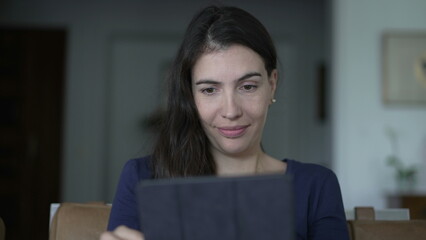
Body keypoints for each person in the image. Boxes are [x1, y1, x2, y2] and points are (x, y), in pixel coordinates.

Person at [101, 5, 349, 240]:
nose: (231, 111)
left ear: (272, 84)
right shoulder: (142, 177)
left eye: (248, 86)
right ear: (191, 94)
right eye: (210, 90)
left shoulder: (316, 185)